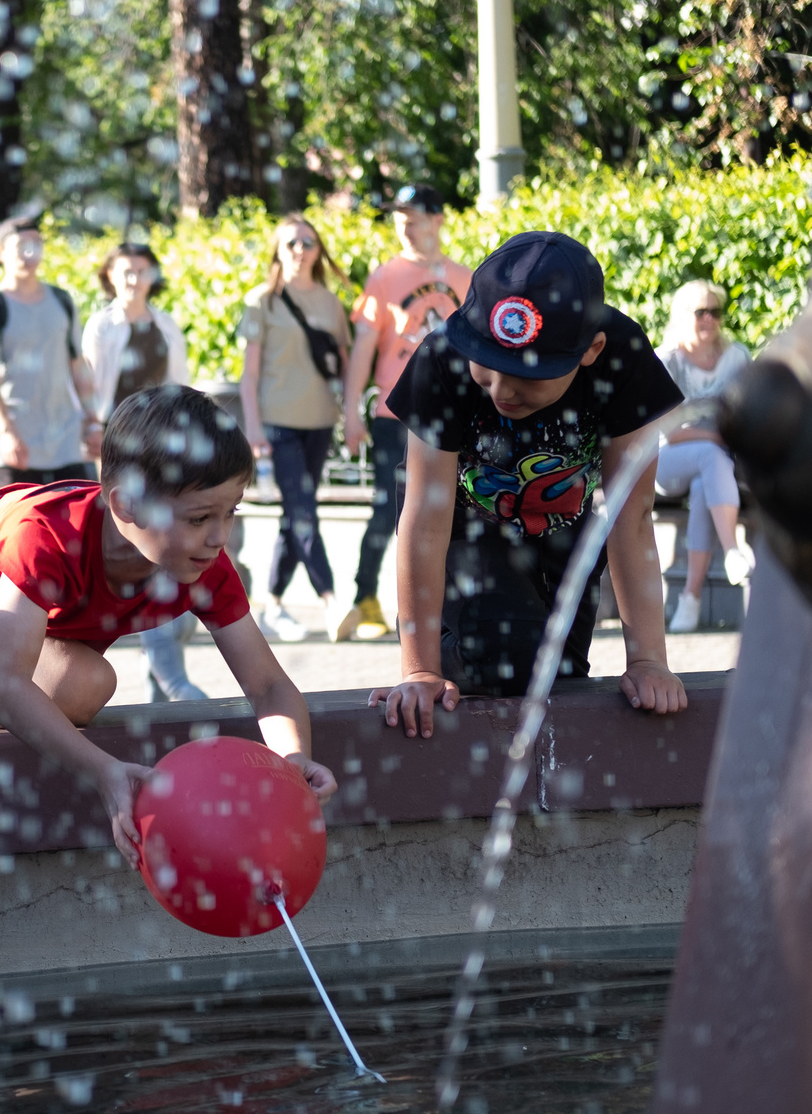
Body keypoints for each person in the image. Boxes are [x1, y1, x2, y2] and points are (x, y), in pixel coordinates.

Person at [0, 384, 336, 862]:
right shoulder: (49, 537)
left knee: (71, 685)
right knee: (79, 686)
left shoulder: (205, 569)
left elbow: (269, 684)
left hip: (15, 608)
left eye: (231, 513)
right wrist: (103, 770)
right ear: (126, 505)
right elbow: (7, 689)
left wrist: (292, 762)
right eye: (199, 518)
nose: (217, 537)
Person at [378, 231, 690, 736]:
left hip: (565, 521)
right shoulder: (443, 359)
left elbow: (631, 518)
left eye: (527, 376)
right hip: (464, 522)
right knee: (505, 655)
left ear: (590, 351)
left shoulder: (623, 359)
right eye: (489, 368)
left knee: (558, 676)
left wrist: (649, 661)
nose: (502, 391)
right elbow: (425, 521)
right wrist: (420, 670)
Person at [347, 183, 474, 641]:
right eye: (399, 215)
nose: (404, 222)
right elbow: (364, 347)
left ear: (438, 219)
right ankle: (365, 599)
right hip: (394, 413)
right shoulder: (383, 277)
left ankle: (446, 604)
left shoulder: (466, 277)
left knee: (453, 509)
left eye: (414, 214)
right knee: (390, 509)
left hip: (452, 415)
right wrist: (350, 411)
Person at [81, 241, 203, 703]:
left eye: (141, 270)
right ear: (111, 275)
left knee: (167, 551)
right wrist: (96, 437)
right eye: (125, 271)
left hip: (161, 448)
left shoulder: (166, 325)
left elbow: (180, 386)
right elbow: (92, 387)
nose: (134, 278)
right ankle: (173, 681)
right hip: (118, 448)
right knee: (149, 553)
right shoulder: (102, 326)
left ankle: (163, 680)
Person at [237, 215, 366, 644]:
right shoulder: (263, 301)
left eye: (308, 242)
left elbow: (347, 368)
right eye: (291, 242)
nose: (300, 249)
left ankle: (271, 602)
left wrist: (351, 415)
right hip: (278, 423)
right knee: (303, 510)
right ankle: (332, 601)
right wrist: (252, 427)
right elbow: (249, 375)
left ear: (318, 250)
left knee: (296, 514)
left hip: (320, 421)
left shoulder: (330, 303)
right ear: (278, 248)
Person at [654, 279, 756, 633]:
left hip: (713, 465)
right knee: (712, 456)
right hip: (666, 462)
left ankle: (690, 600)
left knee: (704, 485)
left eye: (715, 311)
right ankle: (732, 551)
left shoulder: (736, 358)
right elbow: (668, 432)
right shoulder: (666, 360)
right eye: (701, 312)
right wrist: (716, 435)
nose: (709, 320)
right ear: (683, 316)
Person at [0, 218, 98, 488]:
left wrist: (93, 421)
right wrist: (6, 431)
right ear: (0, 253)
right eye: (21, 246)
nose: (30, 254)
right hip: (16, 445)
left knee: (74, 524)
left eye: (36, 245)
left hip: (65, 441)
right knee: (18, 525)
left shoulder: (62, 301)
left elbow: (78, 365)